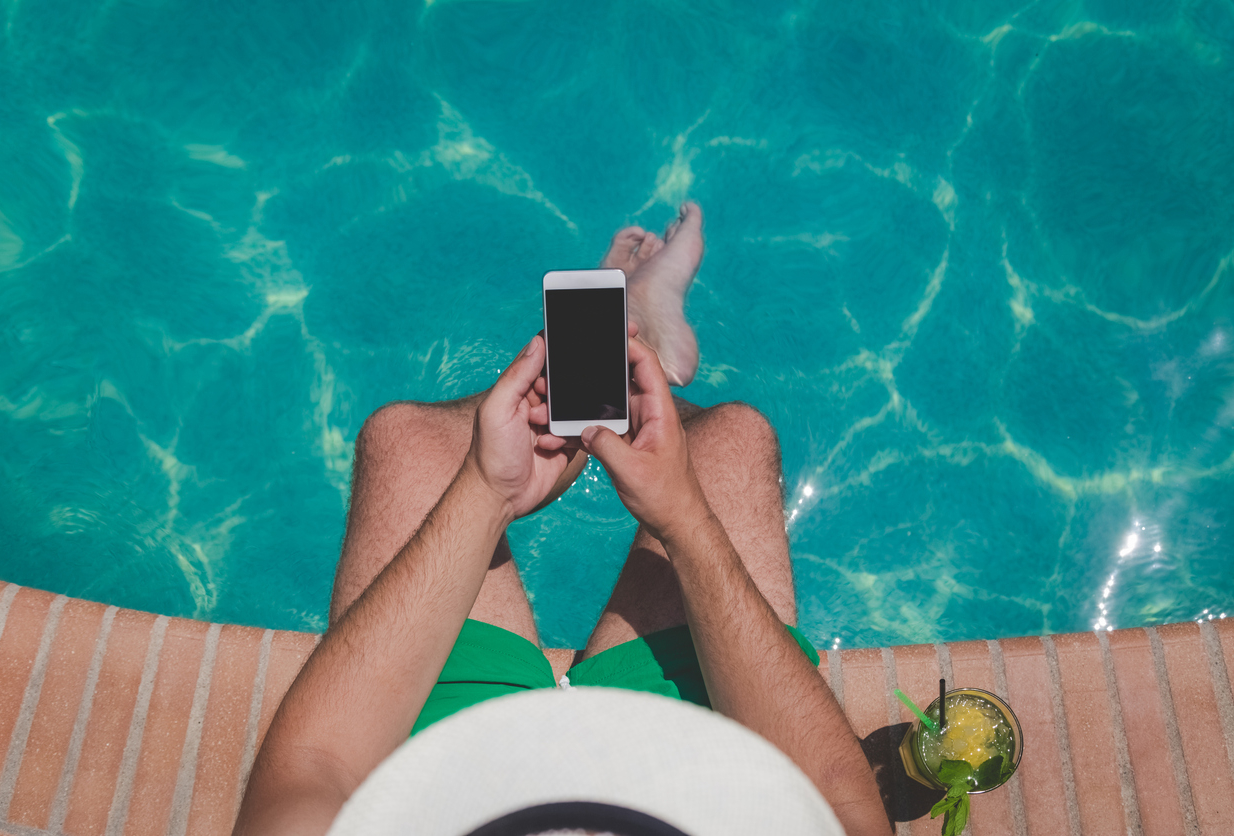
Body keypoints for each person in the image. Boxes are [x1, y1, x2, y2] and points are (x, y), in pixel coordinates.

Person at [232, 203, 893, 836]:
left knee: (404, 440)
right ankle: (630, 353)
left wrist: (489, 490)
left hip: (456, 771)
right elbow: (835, 797)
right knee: (733, 440)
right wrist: (684, 518)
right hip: (681, 768)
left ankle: (608, 356)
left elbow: (314, 765)